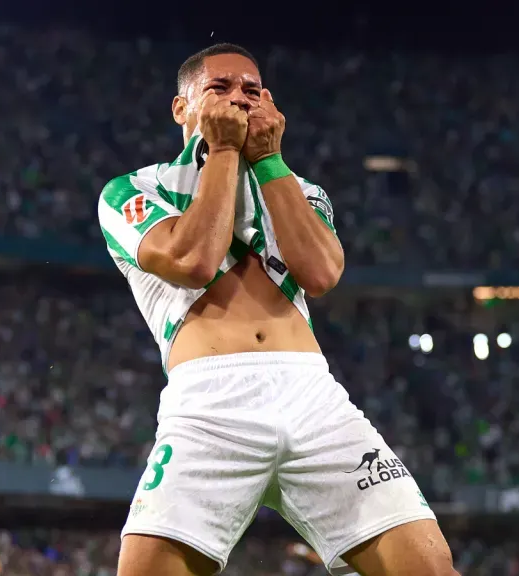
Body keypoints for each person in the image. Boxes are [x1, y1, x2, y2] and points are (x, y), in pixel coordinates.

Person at [98, 42, 456, 576]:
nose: (239, 99)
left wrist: (268, 161)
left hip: (312, 398)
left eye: (252, 89)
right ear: (181, 108)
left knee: (431, 567)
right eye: (219, 87)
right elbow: (192, 260)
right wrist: (223, 150)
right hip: (210, 407)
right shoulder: (134, 189)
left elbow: (323, 274)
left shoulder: (300, 189)